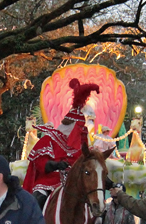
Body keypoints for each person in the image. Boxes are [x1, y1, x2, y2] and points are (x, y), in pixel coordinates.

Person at [22, 78, 99, 209]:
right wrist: (55, 165)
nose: (83, 131)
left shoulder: (81, 146)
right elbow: (40, 164)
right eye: (80, 128)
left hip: (74, 183)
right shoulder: (49, 140)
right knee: (37, 199)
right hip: (50, 180)